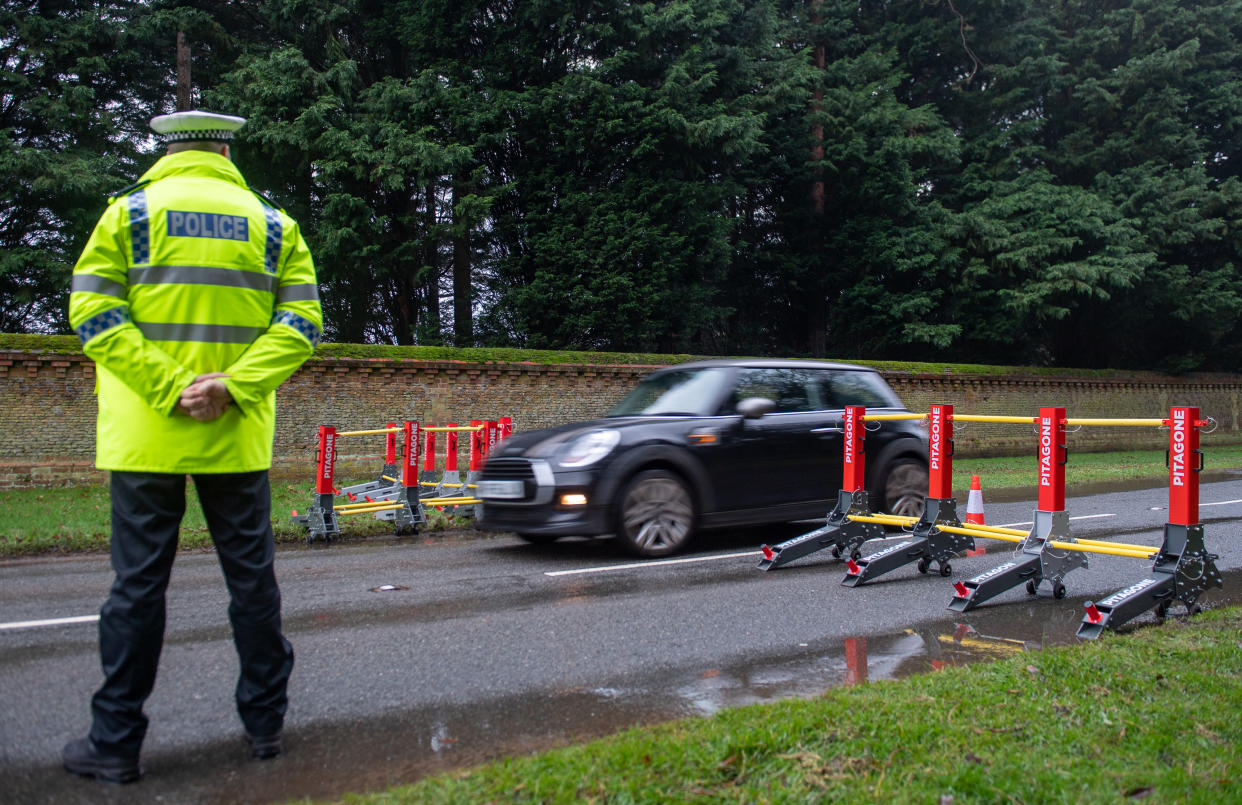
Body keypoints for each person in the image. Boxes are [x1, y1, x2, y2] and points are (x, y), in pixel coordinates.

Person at [62, 110, 323, 783]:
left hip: (147, 435)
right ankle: (265, 725)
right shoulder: (273, 223)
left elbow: (93, 311)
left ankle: (116, 742)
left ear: (166, 149)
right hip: (234, 434)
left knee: (137, 588)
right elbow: (301, 324)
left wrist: (172, 386)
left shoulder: (128, 213)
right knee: (252, 583)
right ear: (225, 148)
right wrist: (229, 388)